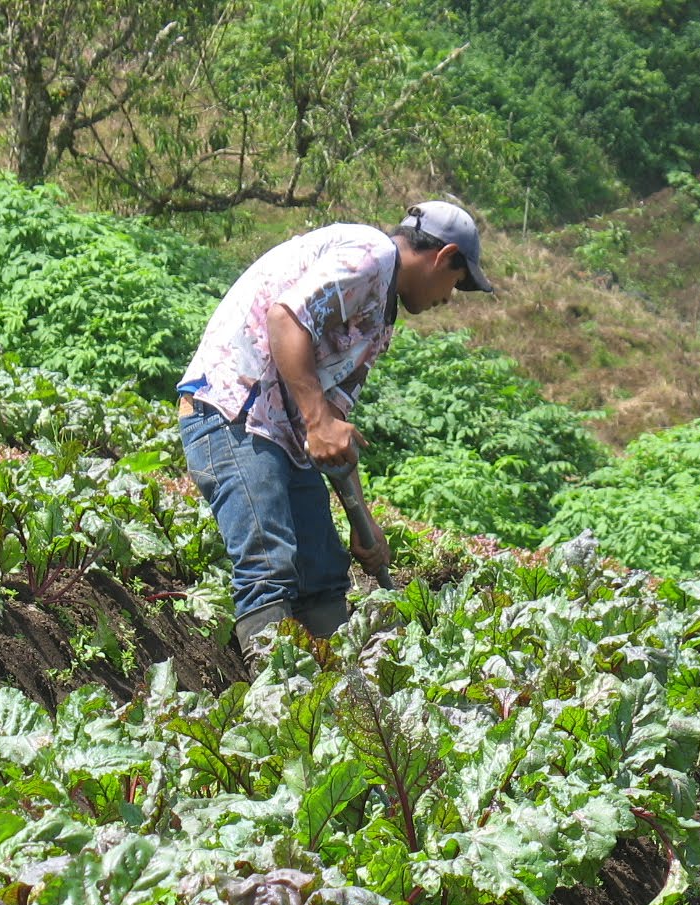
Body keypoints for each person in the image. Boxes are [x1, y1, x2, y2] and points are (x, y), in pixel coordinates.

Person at [177, 201, 494, 664]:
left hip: (282, 433)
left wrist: (362, 522)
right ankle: (277, 699)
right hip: (233, 412)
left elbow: (335, 429)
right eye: (457, 282)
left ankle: (339, 699)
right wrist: (318, 421)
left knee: (323, 573)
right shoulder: (370, 255)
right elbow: (286, 317)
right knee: (269, 564)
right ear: (444, 256)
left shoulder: (380, 321)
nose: (450, 297)